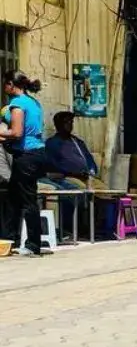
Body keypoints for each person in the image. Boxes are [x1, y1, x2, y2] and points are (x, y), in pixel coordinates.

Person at [0, 74, 48, 255]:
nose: (4, 88)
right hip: (36, 154)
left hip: (27, 156)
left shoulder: (18, 103)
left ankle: (33, 244)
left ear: (11, 84)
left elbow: (17, 132)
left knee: (28, 200)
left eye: (5, 84)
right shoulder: (33, 102)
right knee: (14, 198)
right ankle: (9, 239)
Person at [44, 111, 101, 183]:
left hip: (88, 178)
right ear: (58, 125)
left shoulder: (78, 142)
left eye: (71, 121)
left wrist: (92, 171)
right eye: (66, 122)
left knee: (106, 189)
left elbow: (89, 159)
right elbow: (53, 166)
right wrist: (74, 173)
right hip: (68, 179)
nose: (70, 124)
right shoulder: (52, 143)